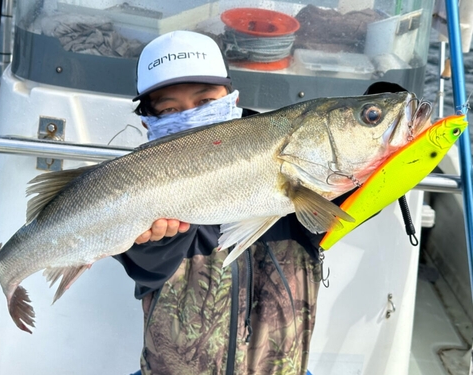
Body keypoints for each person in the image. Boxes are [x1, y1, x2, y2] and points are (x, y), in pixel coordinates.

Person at [114, 30, 405, 375]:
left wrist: (378, 128)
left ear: (230, 98)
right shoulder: (138, 186)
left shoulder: (300, 162)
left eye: (206, 102)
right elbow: (149, 266)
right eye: (170, 109)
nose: (190, 115)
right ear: (149, 119)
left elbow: (359, 198)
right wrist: (162, 235)